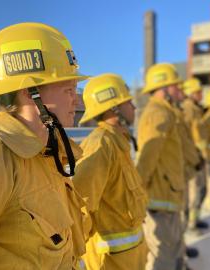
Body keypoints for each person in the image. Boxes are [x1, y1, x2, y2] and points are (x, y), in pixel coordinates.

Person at [0, 22, 90, 269]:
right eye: (68, 89)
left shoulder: (48, 151)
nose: (76, 99)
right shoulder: (0, 153)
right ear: (30, 91)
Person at [72, 73, 148, 270]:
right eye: (128, 102)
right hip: (110, 263)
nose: (134, 107)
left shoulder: (118, 142)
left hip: (129, 258)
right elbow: (81, 206)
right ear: (114, 108)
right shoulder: (100, 145)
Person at [137, 63, 186, 270]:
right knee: (163, 255)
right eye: (175, 85)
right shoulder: (158, 113)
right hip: (159, 197)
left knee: (172, 247)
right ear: (163, 89)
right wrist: (138, 193)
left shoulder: (165, 112)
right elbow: (147, 157)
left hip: (167, 193)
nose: (179, 89)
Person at [182, 78, 209, 231]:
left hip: (200, 157)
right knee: (193, 193)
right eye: (198, 92)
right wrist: (194, 157)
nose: (201, 94)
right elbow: (187, 138)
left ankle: (195, 220)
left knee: (201, 190)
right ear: (191, 93)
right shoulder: (188, 109)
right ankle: (191, 225)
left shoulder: (197, 109)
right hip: (193, 160)